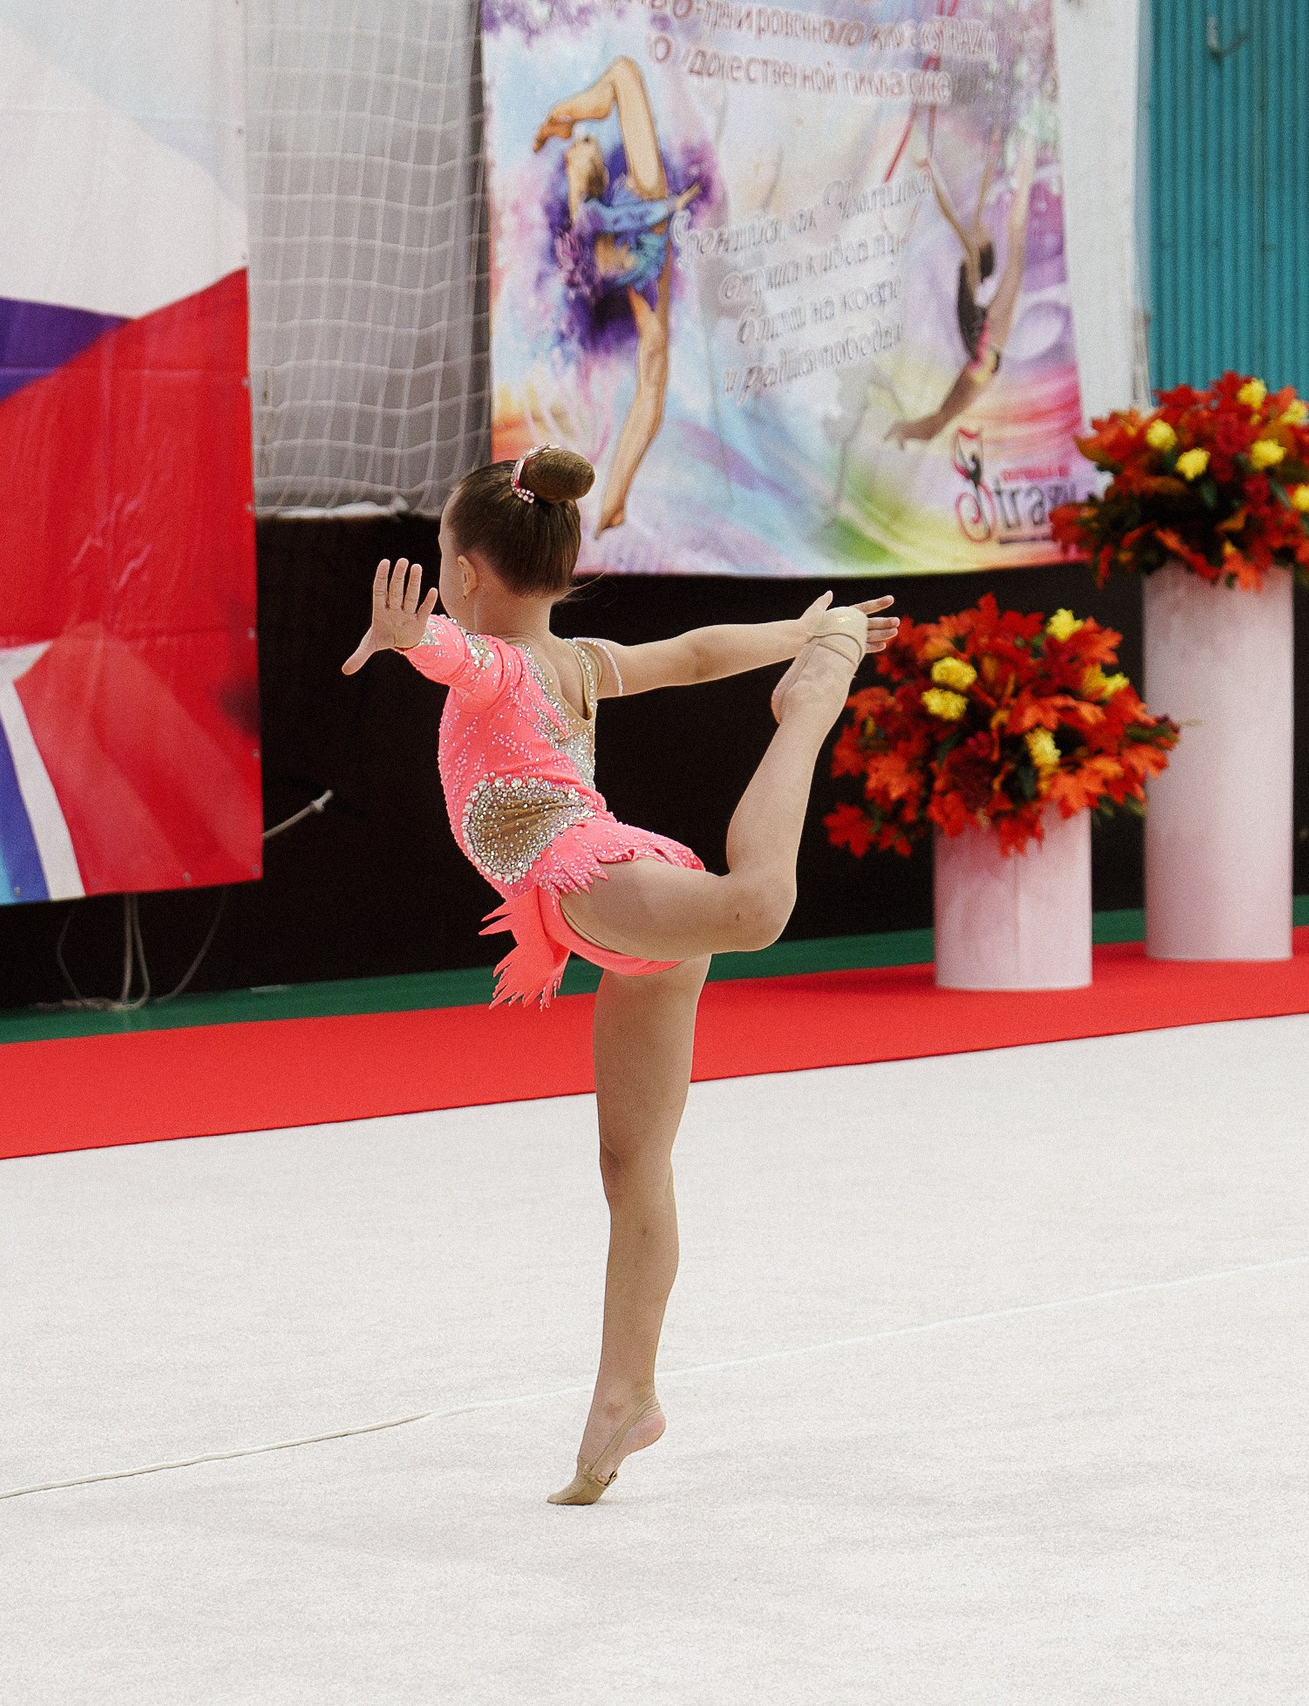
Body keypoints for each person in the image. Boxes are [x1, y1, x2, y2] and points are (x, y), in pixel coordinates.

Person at [341, 447, 899, 1503]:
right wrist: (800, 625)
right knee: (631, 1160)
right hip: (614, 929)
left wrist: (414, 640)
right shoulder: (579, 661)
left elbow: (459, 658)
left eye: (441, 559)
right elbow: (690, 654)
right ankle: (624, 1395)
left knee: (756, 907)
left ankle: (813, 706)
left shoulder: (499, 662)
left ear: (463, 571)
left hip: (587, 873)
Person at [534, 58, 697, 536]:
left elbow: (607, 238)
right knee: (624, 73)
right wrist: (669, 204)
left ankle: (614, 502)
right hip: (645, 238)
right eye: (586, 145)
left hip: (640, 263)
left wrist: (560, 125)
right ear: (588, 169)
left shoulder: (584, 216)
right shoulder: (596, 212)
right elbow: (625, 219)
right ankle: (614, 501)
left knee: (653, 373)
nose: (591, 144)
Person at [888, 130, 1042, 446]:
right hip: (984, 358)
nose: (980, 228)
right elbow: (973, 217)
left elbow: (964, 215)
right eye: (980, 231)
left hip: (982, 357)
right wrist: (1004, 163)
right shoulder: (974, 270)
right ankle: (902, 432)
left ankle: (902, 432)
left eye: (980, 231)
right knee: (937, 421)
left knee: (939, 419)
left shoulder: (975, 271)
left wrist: (997, 161)